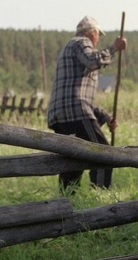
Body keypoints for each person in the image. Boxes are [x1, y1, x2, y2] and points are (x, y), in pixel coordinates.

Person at [47, 15, 127, 191]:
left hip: (61, 116)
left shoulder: (71, 48)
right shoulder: (81, 42)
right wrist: (114, 48)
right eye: (98, 35)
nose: (98, 40)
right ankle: (99, 196)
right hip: (75, 112)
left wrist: (106, 117)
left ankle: (67, 200)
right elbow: (93, 61)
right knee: (103, 153)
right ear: (92, 33)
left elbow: (82, 98)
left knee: (74, 158)